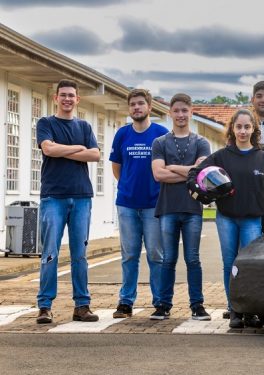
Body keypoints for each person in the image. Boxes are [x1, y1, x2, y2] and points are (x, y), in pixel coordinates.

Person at [187, 108, 264, 329]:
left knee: (249, 265)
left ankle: (250, 310)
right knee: (229, 263)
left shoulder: (262, 158)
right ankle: (234, 309)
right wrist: (200, 191)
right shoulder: (221, 156)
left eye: (247, 127)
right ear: (232, 129)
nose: (243, 131)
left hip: (252, 220)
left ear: (254, 129)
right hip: (226, 218)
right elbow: (195, 174)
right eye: (238, 127)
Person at [35, 79, 101, 324]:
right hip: (54, 196)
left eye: (71, 95)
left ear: (77, 99)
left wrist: (63, 149)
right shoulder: (45, 123)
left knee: (80, 254)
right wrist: (77, 148)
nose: (67, 99)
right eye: (63, 95)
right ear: (56, 98)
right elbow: (48, 150)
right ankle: (44, 306)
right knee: (50, 252)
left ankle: (82, 306)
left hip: (82, 196)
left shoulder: (84, 125)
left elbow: (95, 154)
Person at [151, 93, 211, 321]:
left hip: (193, 209)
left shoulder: (201, 142)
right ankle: (163, 305)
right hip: (168, 208)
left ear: (191, 112)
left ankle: (197, 305)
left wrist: (172, 167)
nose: (181, 115)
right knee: (168, 259)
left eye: (185, 110)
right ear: (170, 113)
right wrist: (188, 171)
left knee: (193, 259)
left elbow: (201, 175)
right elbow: (158, 174)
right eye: (176, 110)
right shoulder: (160, 143)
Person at [109, 89, 169, 318]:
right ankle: (126, 302)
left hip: (154, 204)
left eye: (141, 104)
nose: (136, 107)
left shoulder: (161, 134)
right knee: (129, 255)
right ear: (129, 108)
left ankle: (160, 301)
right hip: (126, 204)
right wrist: (128, 185)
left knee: (155, 255)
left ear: (149, 107)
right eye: (133, 104)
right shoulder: (122, 134)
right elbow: (117, 168)